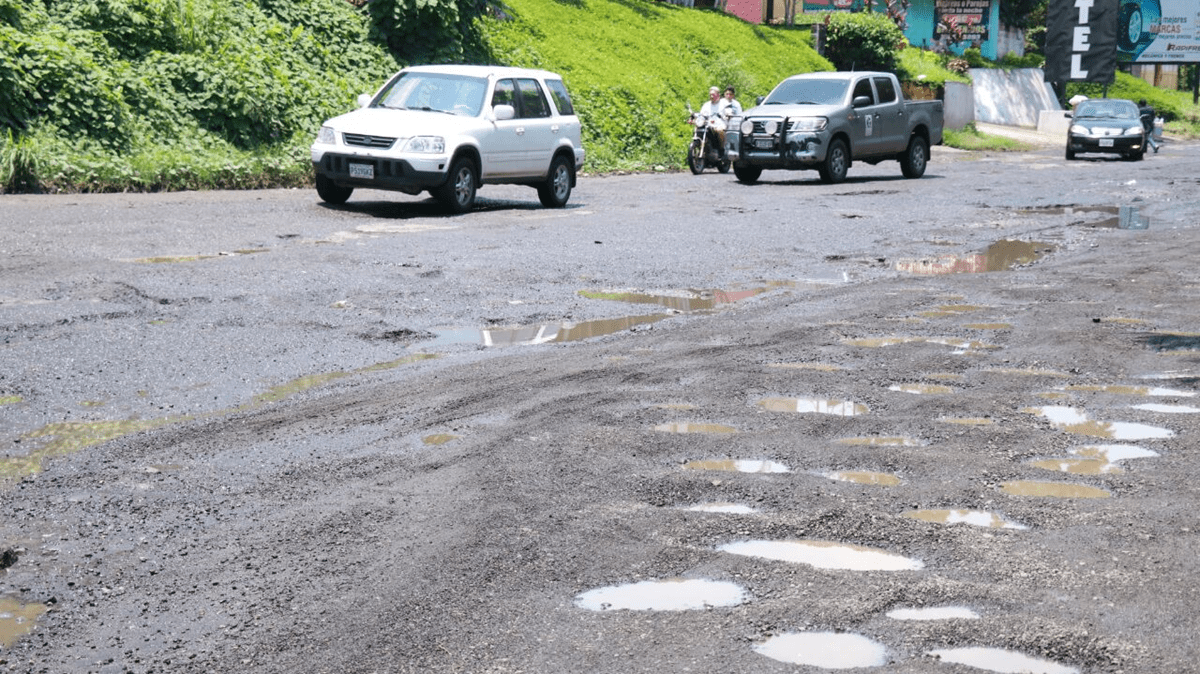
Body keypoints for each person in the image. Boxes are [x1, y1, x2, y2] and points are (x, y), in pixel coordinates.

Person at [697, 86, 727, 156]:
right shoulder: (706, 105)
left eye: (713, 95)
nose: (711, 96)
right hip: (709, 124)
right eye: (710, 95)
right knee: (698, 129)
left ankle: (722, 149)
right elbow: (701, 115)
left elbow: (728, 113)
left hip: (720, 124)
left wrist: (727, 114)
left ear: (718, 95)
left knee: (719, 130)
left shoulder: (724, 104)